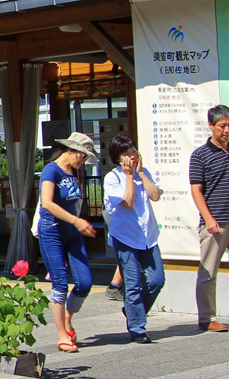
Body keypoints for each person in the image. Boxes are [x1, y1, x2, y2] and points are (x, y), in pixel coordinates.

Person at [38, 132, 97, 353]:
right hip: (52, 231)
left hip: (72, 233)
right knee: (60, 284)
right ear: (71, 151)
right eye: (82, 156)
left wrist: (77, 223)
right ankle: (62, 333)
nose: (83, 162)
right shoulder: (50, 170)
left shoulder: (73, 172)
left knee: (84, 282)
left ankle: (67, 315)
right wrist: (76, 221)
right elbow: (47, 203)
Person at [103, 134, 164, 343]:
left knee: (157, 280)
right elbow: (127, 203)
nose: (132, 157)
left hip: (148, 236)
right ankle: (138, 328)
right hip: (125, 237)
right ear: (118, 158)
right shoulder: (113, 178)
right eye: (127, 155)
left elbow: (155, 195)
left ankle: (133, 311)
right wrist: (129, 176)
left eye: (133, 152)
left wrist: (140, 174)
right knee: (132, 281)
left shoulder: (143, 173)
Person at [191, 104, 229, 332]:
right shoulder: (200, 155)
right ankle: (207, 318)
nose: (227, 130)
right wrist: (209, 219)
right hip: (215, 222)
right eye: (222, 126)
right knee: (208, 272)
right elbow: (196, 190)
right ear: (211, 126)